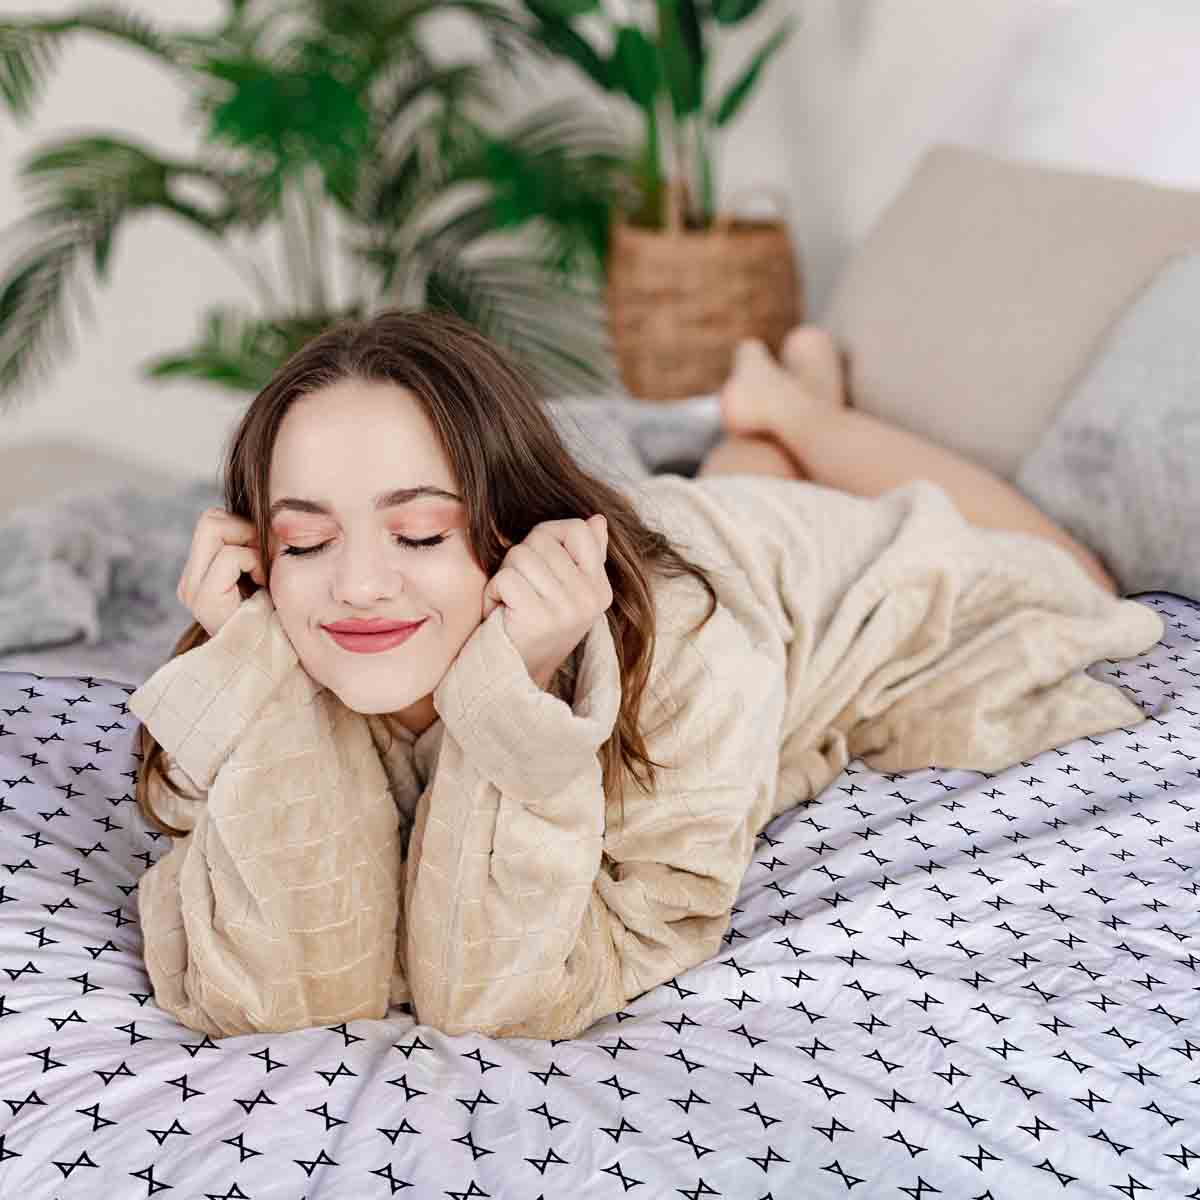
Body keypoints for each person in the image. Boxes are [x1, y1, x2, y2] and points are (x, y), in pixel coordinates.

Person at [130, 309, 1158, 1041]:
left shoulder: (683, 660)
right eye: (304, 543)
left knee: (1083, 582)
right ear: (256, 552)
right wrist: (256, 687)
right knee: (704, 500)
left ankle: (792, 413)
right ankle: (773, 415)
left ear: (509, 529)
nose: (356, 584)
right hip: (665, 540)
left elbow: (498, 1000)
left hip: (762, 584)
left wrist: (517, 694)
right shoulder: (275, 643)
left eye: (419, 529)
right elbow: (286, 986)